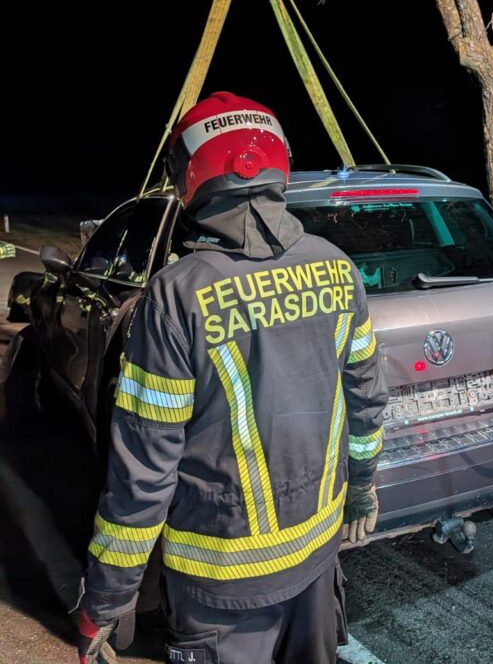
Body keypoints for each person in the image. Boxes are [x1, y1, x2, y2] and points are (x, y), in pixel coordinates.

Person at [76, 91, 388, 664]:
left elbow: (144, 468)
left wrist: (108, 597)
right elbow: (365, 403)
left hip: (219, 588)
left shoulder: (177, 294)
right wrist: (363, 487)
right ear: (278, 165)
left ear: (190, 175)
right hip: (317, 564)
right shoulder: (337, 269)